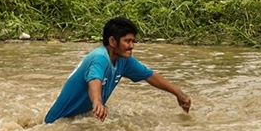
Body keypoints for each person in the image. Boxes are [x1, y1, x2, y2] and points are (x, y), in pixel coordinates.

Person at [44, 17, 191, 123]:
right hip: (58, 123)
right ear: (112, 41)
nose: (131, 46)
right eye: (127, 41)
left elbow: (149, 75)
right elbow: (94, 79)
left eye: (133, 41)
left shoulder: (124, 60)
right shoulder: (100, 57)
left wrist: (179, 94)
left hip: (80, 119)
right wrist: (97, 102)